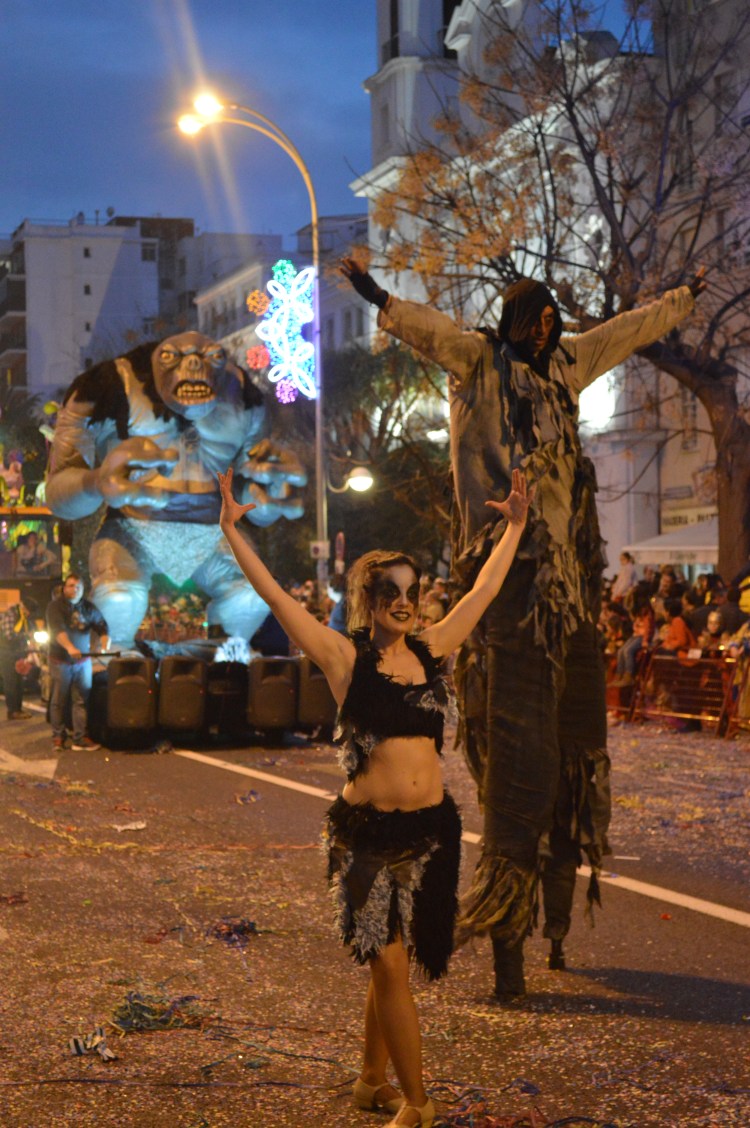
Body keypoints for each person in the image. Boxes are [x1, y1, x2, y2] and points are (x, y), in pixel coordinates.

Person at [342, 255, 706, 996]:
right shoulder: (479, 363)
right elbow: (432, 332)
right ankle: (509, 955)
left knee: (576, 760)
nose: (546, 331)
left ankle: (561, 928)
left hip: (568, 584)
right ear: (512, 324)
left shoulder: (567, 364)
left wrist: (683, 296)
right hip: (505, 580)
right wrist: (375, 294)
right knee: (519, 770)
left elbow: (628, 331)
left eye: (551, 321)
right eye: (534, 321)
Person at [217, 464, 533, 1128]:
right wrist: (232, 534)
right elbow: (278, 599)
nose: (404, 601)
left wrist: (517, 529)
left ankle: (368, 1083)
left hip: (431, 835)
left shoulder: (432, 648)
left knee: (393, 968)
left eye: (412, 590)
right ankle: (417, 1103)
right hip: (365, 837)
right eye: (390, 591)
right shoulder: (344, 659)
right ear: (367, 598)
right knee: (389, 966)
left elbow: (483, 593)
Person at [46, 573, 110, 751]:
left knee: (81, 700)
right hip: (61, 661)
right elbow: (57, 630)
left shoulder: (88, 608)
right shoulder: (55, 607)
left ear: (83, 590)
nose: (74, 589)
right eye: (71, 585)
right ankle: (58, 736)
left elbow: (101, 624)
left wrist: (105, 641)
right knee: (59, 700)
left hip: (83, 662)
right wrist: (69, 647)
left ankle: (80, 737)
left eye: (78, 587)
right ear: (64, 588)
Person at [0, 597, 35, 720]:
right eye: (27, 610)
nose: (28, 613)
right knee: (11, 683)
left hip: (18, 653)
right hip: (7, 653)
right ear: (22, 606)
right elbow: (9, 635)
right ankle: (12, 711)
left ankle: (18, 709)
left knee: (19, 682)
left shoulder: (23, 619)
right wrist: (26, 635)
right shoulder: (9, 615)